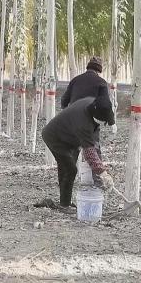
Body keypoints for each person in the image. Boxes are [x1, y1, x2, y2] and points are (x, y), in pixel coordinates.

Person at [42, 95, 115, 213]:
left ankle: (65, 201)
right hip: (55, 137)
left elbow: (105, 117)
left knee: (66, 168)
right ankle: (64, 205)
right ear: (95, 117)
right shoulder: (84, 123)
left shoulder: (96, 102)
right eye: (103, 122)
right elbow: (89, 152)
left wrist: (112, 123)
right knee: (70, 169)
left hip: (70, 136)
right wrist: (102, 172)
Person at [60, 57, 115, 185]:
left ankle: (66, 181)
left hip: (72, 121)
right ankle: (99, 181)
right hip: (89, 122)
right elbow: (106, 105)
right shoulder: (101, 82)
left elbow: (64, 101)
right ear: (99, 70)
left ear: (88, 67)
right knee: (93, 149)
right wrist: (111, 121)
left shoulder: (75, 80)